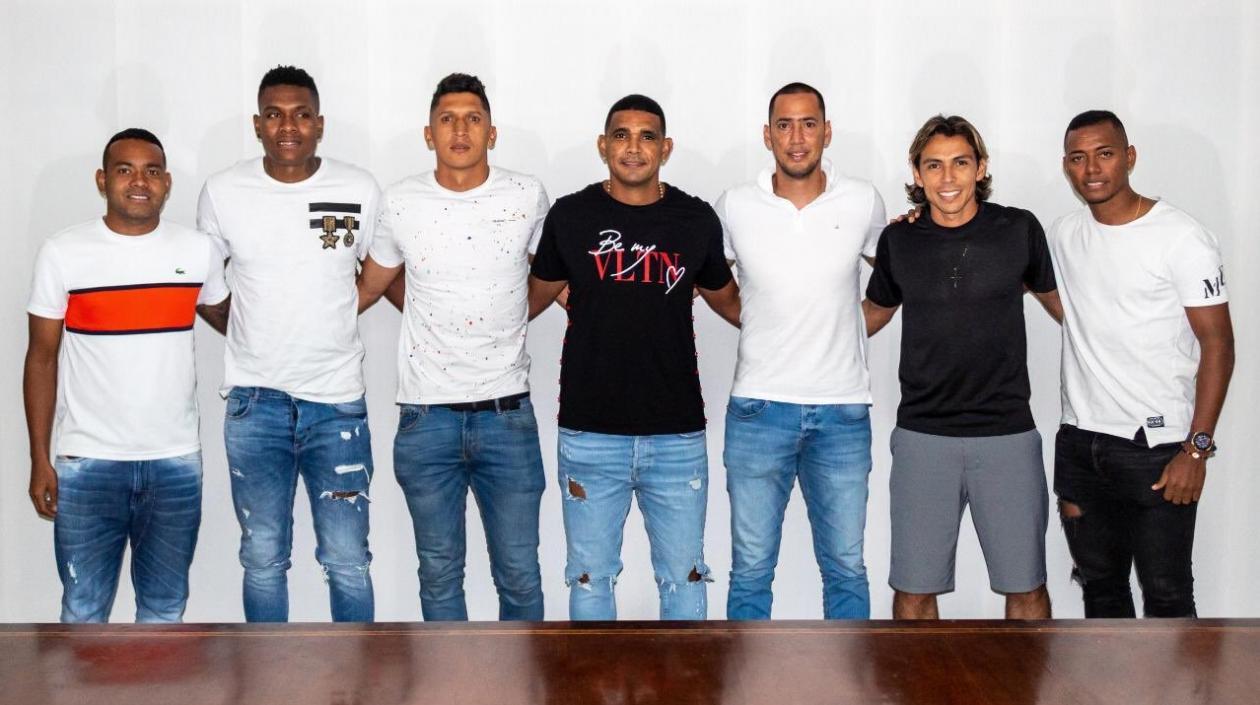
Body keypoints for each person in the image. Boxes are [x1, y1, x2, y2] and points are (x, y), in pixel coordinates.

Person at [527, 94, 740, 620]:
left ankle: (683, 675)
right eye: (621, 135)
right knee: (590, 579)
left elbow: (734, 304)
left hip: (676, 436)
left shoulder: (694, 219)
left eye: (647, 136)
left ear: (666, 148)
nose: (633, 147)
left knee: (684, 577)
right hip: (589, 434)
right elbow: (528, 299)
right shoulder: (571, 216)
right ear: (603, 146)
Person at [357, 73, 549, 621]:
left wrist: (515, 311)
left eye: (472, 119)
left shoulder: (527, 195)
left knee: (519, 575)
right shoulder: (401, 201)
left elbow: (555, 277)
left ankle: (527, 675)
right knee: (439, 574)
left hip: (507, 415)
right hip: (427, 419)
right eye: (447, 119)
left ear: (492, 132)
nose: (459, 130)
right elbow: (372, 284)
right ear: (429, 133)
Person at [197, 65, 381, 622]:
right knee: (262, 557)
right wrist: (250, 327)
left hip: (337, 403)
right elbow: (205, 286)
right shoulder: (224, 192)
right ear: (257, 124)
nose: (288, 126)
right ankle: (265, 672)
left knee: (348, 560)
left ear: (319, 124)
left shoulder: (358, 188)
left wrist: (334, 313)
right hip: (255, 404)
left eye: (301, 114)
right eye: (274, 115)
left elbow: (380, 270)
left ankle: (357, 671)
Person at [25, 128, 229, 622]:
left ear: (167, 183)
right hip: (88, 462)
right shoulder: (64, 252)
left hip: (174, 462)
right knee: (83, 611)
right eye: (125, 170)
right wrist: (39, 459)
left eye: (152, 171)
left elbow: (238, 324)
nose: (140, 181)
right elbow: (41, 359)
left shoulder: (197, 251)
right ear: (102, 180)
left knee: (164, 610)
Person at [864, 114, 1060, 619]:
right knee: (912, 592)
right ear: (916, 173)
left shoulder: (1018, 230)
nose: (947, 177)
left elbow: (1067, 311)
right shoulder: (899, 241)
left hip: (1008, 434)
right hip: (923, 436)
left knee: (1027, 587)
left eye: (960, 163)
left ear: (981, 167)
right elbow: (872, 316)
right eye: (934, 165)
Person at [1049, 110, 1234, 618]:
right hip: (1080, 444)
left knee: (1168, 597)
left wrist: (1196, 449)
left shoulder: (1182, 237)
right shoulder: (1063, 233)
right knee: (1100, 592)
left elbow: (1219, 344)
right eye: (1078, 158)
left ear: (1129, 157)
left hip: (1157, 450)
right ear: (1066, 166)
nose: (1091, 169)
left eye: (1105, 154)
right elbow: (1020, 269)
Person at [715, 82, 886, 620]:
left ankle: (850, 674)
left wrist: (850, 326)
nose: (797, 137)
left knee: (846, 568)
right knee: (750, 570)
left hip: (842, 412)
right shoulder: (736, 205)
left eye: (808, 124)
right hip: (758, 410)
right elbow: (713, 283)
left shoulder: (862, 200)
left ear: (826, 132)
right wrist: (757, 317)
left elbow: (895, 279)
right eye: (784, 125)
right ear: (767, 136)